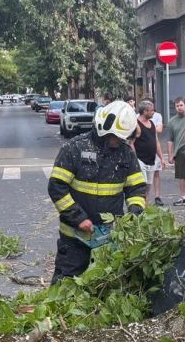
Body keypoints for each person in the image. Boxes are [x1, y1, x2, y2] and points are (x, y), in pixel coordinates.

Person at [48, 99, 147, 283]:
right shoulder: (75, 148)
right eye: (116, 137)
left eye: (122, 138)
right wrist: (79, 218)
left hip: (110, 238)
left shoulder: (126, 154)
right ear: (104, 129)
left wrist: (134, 213)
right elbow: (56, 186)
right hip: (74, 239)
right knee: (65, 287)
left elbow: (137, 188)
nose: (119, 141)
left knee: (105, 287)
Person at [134, 100, 166, 205]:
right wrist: (134, 159)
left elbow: (156, 141)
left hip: (151, 160)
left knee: (148, 186)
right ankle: (140, 208)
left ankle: (146, 208)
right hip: (140, 160)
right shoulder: (136, 124)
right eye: (152, 110)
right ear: (145, 111)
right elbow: (130, 143)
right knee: (141, 185)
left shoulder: (151, 123)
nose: (153, 112)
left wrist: (161, 157)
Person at [165, 97, 185, 205]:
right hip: (179, 152)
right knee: (181, 176)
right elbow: (169, 140)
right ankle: (183, 197)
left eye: (181, 105)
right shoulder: (172, 121)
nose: (179, 108)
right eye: (177, 106)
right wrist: (170, 155)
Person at [144, 97, 165, 202]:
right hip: (142, 152)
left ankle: (157, 196)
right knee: (144, 178)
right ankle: (145, 199)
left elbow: (160, 129)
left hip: (154, 148)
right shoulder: (138, 116)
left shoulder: (157, 116)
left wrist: (147, 128)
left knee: (156, 172)